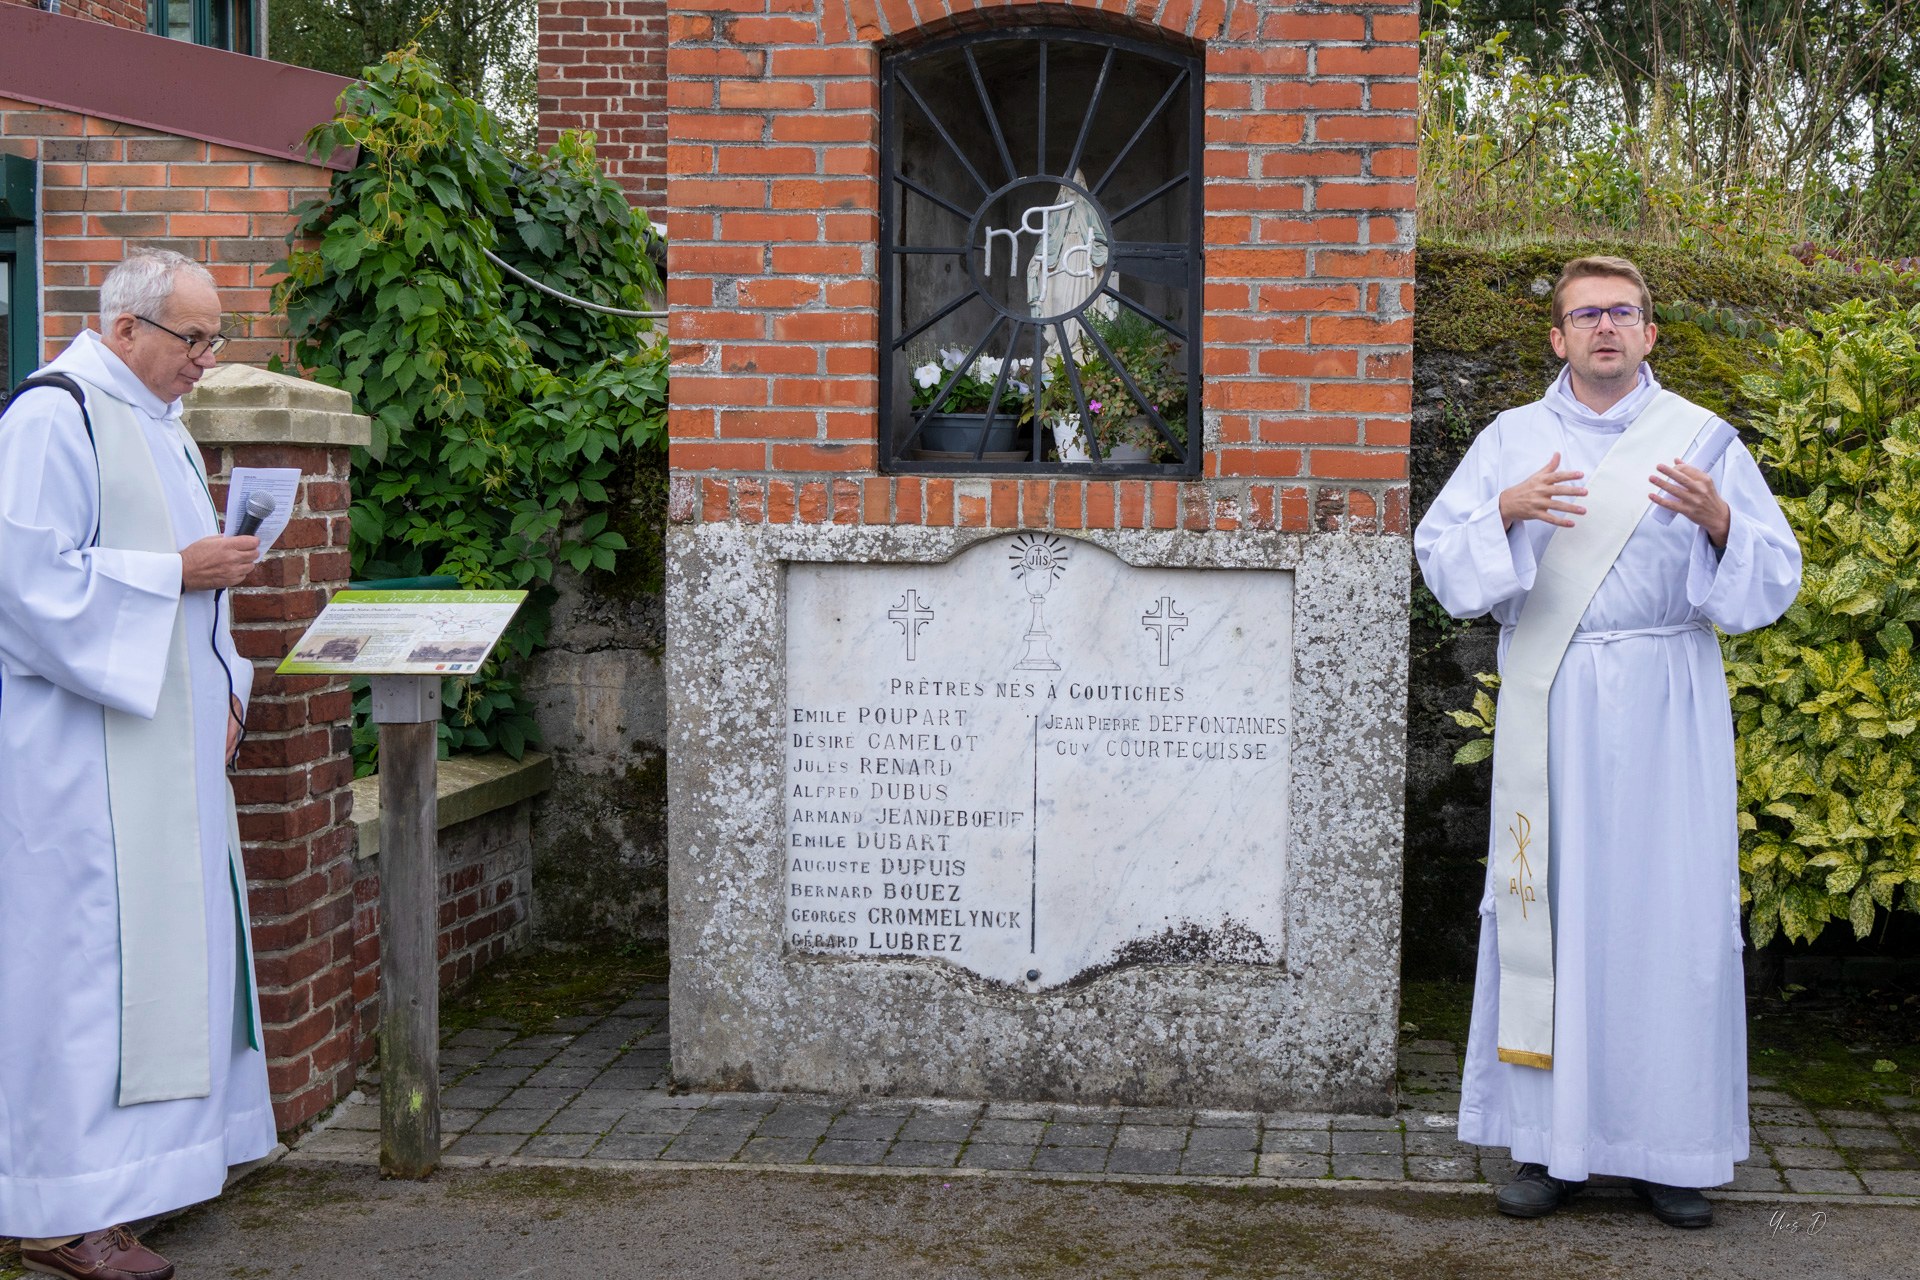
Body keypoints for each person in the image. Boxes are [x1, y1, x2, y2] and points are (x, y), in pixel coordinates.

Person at [1414, 256, 1801, 1228]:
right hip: (1557, 698)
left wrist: (1720, 526)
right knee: (1553, 913)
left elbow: (1777, 572)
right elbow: (1439, 553)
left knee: (1666, 919)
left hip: (1671, 701)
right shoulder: (1512, 439)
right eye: (1585, 314)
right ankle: (1551, 1151)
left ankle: (1671, 1152)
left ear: (1649, 332)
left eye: (1623, 312)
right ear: (1557, 336)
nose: (1605, 328)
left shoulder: (1703, 440)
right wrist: (1503, 510)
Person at [0, 249, 271, 1279]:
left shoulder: (158, 425)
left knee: (150, 964)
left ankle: (129, 1185)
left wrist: (229, 684)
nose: (205, 360)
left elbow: (191, 597)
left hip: (159, 746)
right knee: (81, 972)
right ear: (125, 329)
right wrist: (178, 569)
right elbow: (23, 585)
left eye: (215, 338)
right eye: (191, 338)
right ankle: (56, 1213)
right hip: (77, 765)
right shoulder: (51, 417)